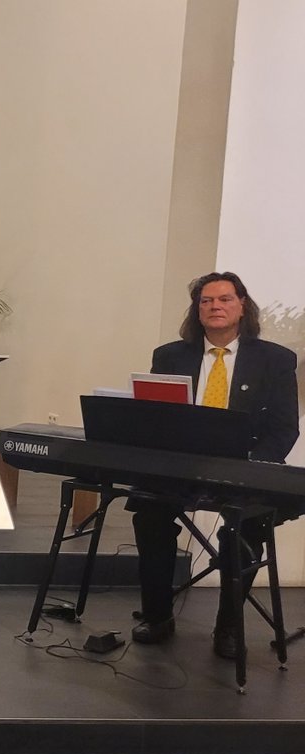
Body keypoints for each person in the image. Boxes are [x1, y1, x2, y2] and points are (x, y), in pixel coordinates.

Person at [131, 273, 298, 659]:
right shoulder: (170, 355)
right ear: (197, 309)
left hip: (244, 469)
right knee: (149, 514)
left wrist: (254, 465)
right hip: (181, 468)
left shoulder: (274, 360)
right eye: (206, 301)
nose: (215, 307)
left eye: (224, 299)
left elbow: (284, 428)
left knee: (248, 526)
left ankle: (228, 627)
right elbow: (156, 419)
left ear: (242, 305)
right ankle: (157, 617)